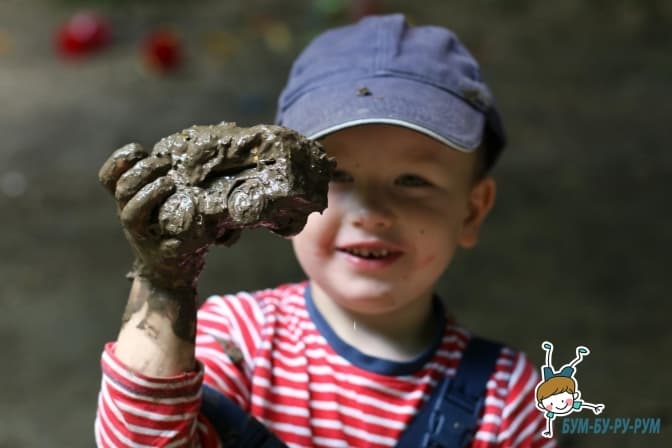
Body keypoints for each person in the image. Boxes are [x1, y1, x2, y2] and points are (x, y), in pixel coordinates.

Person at [95, 13, 554, 448]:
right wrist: (163, 283)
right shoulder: (238, 339)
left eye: (413, 180)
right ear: (279, 197)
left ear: (471, 211)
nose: (371, 213)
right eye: (334, 175)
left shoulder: (505, 398)